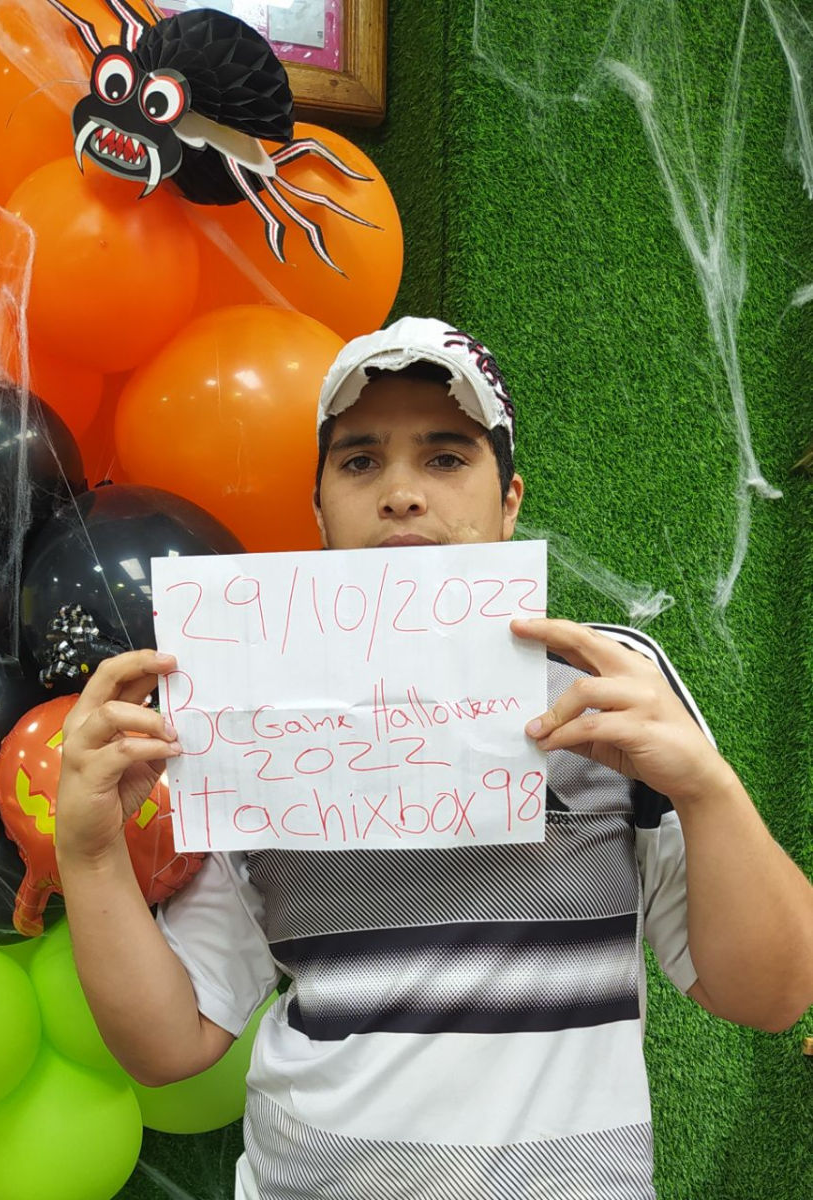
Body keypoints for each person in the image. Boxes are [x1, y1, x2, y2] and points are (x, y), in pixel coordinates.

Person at [54, 316, 813, 1200]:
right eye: (360, 461)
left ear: (510, 501)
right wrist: (91, 853)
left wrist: (708, 790)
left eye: (446, 457)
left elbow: (772, 995)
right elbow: (170, 1044)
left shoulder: (609, 686)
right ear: (318, 510)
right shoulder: (245, 706)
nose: (402, 494)